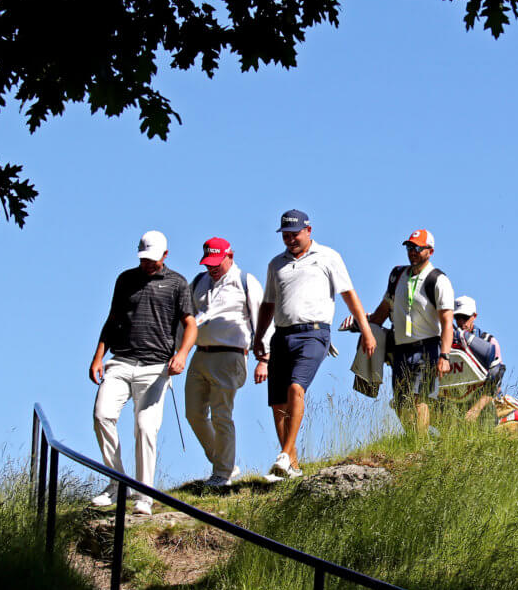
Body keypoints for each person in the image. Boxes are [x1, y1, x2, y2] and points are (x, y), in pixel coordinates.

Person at [253, 209, 376, 481]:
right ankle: (292, 465)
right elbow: (268, 304)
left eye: (294, 233)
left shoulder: (328, 257)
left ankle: (284, 455)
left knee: (296, 388)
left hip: (314, 333)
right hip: (282, 334)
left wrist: (366, 330)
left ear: (308, 230)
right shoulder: (276, 264)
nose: (290, 239)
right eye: (285, 235)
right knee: (278, 403)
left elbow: (348, 295)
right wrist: (259, 336)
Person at [88, 230, 197, 515]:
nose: (147, 263)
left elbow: (191, 324)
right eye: (143, 258)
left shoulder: (177, 283)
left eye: (152, 258)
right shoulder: (125, 279)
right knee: (102, 416)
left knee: (146, 428)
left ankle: (144, 495)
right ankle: (117, 483)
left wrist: (182, 354)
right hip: (121, 361)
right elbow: (112, 320)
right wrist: (98, 356)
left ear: (165, 255)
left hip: (156, 367)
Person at [185, 237, 272, 488]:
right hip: (200, 354)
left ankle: (221, 474)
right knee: (194, 414)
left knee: (222, 415)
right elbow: (188, 320)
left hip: (231, 355)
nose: (212, 268)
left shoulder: (245, 282)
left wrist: (264, 359)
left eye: (216, 262)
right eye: (208, 263)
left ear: (229, 256)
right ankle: (224, 464)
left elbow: (262, 320)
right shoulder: (199, 282)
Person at [349, 229, 455, 434]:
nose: (412, 252)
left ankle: (420, 446)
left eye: (417, 248)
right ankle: (415, 440)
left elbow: (447, 323)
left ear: (430, 251)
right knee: (400, 401)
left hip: (428, 347)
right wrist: (361, 324)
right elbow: (382, 312)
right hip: (400, 348)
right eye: (409, 247)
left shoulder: (439, 280)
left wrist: (445, 355)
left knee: (419, 397)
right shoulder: (397, 275)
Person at [451, 295, 509, 424]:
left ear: (474, 316)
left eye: (465, 317)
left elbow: (496, 382)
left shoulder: (489, 342)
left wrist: (475, 410)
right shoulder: (448, 344)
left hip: (485, 401)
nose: (461, 322)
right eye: (457, 318)